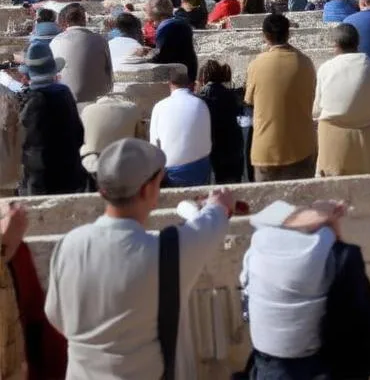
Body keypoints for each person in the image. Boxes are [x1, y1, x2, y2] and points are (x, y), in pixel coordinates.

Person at [45, 138, 233, 378]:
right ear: (148, 190)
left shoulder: (69, 244)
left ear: (102, 191)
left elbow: (56, 316)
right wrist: (219, 205)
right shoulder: (168, 253)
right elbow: (211, 223)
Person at [241, 199, 370, 380]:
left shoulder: (255, 252)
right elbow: (366, 333)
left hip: (267, 369)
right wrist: (332, 227)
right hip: (320, 370)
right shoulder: (338, 257)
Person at [313, 23, 370, 177]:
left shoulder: (325, 69)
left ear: (335, 45)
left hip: (332, 142)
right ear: (358, 43)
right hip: (367, 142)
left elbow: (318, 108)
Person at [244, 12, 317, 181]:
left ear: (265, 36)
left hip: (266, 149)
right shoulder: (305, 62)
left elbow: (249, 100)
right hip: (301, 146)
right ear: (288, 33)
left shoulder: (257, 64)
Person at [17, 40, 87, 195]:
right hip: (72, 178)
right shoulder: (65, 93)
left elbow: (28, 148)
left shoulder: (32, 101)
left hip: (41, 184)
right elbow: (79, 135)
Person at [149, 64, 213, 187]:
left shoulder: (160, 106)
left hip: (173, 173)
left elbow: (154, 148)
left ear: (170, 84)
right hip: (201, 170)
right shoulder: (201, 104)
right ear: (190, 83)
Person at [49, 3, 113, 104]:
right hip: (97, 100)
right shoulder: (100, 40)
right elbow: (109, 75)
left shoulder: (55, 41)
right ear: (84, 20)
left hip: (66, 101)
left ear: (64, 22)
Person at [196, 60, 244, 184]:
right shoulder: (231, 96)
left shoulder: (201, 97)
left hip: (214, 150)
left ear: (203, 77)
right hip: (233, 148)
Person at [80, 95, 143, 184]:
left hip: (91, 164)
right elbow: (141, 138)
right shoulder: (132, 109)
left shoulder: (87, 110)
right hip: (123, 163)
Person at [145, 0, 198, 85]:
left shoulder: (165, 26)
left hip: (178, 79)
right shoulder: (181, 22)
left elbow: (161, 57)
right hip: (189, 70)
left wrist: (145, 57)